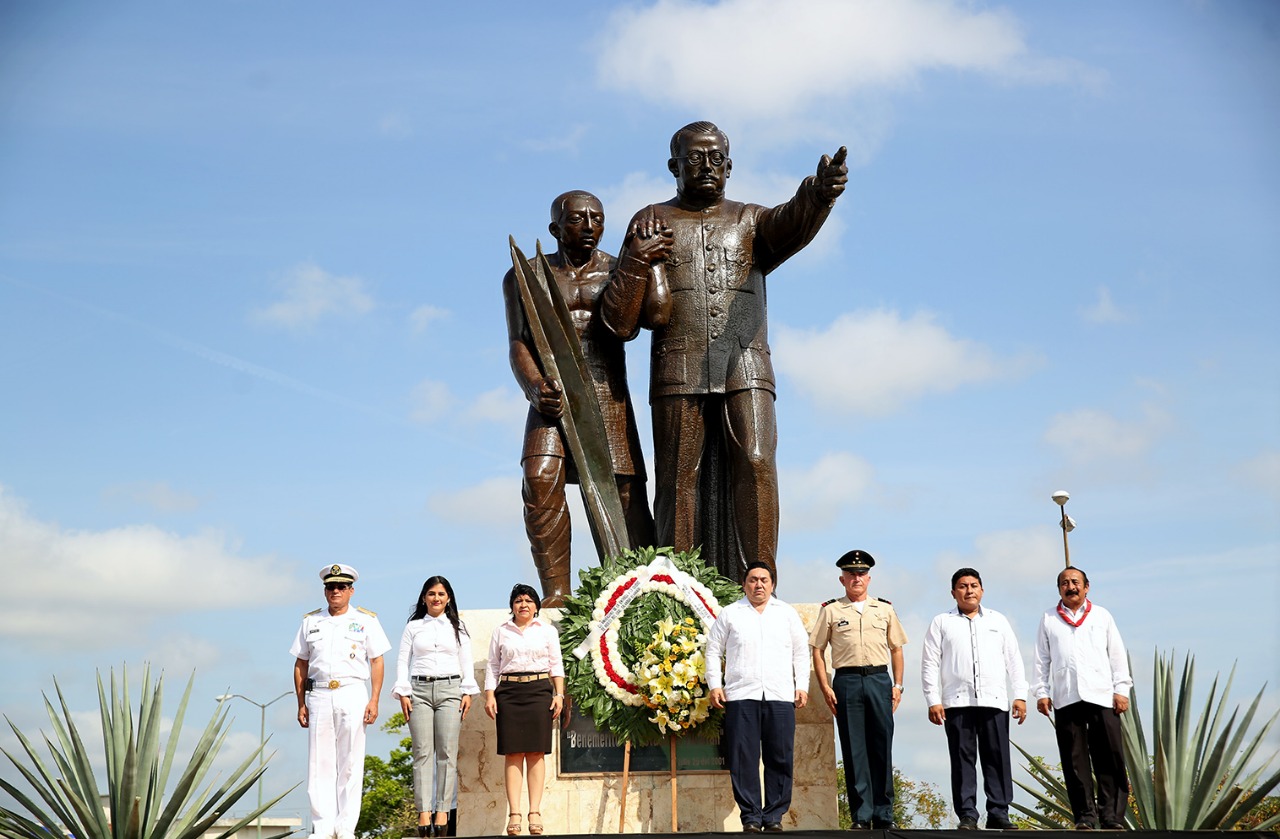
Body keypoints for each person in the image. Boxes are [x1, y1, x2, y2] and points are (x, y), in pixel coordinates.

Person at [601, 121, 848, 582]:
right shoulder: (652, 218)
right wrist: (636, 260)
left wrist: (819, 195)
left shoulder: (750, 220)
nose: (708, 166)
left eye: (717, 158)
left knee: (756, 460)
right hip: (678, 367)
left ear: (730, 167)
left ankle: (760, 581)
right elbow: (620, 322)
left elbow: (790, 220)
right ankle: (676, 588)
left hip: (746, 364)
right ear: (673, 166)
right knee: (678, 479)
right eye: (695, 157)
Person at [502, 191, 658, 606]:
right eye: (577, 219)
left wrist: (644, 263)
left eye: (597, 218)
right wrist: (536, 387)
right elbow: (519, 343)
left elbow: (640, 322)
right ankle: (556, 593)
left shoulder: (616, 269)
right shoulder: (524, 274)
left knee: (625, 492)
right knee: (539, 480)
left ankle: (634, 589)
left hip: (605, 390)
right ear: (555, 228)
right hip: (550, 396)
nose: (589, 226)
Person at [706, 562, 811, 833]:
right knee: (744, 758)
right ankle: (751, 816)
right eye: (753, 580)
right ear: (744, 584)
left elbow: (801, 652)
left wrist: (803, 685)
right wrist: (715, 684)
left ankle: (774, 815)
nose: (759, 585)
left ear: (772, 584)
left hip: (780, 694)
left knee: (780, 755)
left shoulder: (786, 613)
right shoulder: (731, 613)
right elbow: (713, 650)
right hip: (742, 695)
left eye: (764, 580)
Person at [920, 568, 1028, 830]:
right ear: (953, 592)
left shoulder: (998, 621)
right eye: (963, 586)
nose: (969, 590)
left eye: (974, 585)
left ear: (982, 590)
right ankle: (968, 813)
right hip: (957, 702)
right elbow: (929, 663)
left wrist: (1021, 695)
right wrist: (933, 699)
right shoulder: (941, 622)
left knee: (997, 757)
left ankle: (999, 812)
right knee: (962, 759)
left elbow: (1014, 660)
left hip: (994, 701)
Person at [291, 564, 392, 839]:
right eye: (330, 587)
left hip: (352, 691)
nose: (335, 591)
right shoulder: (311, 622)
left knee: (350, 761)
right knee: (319, 763)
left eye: (341, 587)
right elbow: (301, 663)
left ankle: (346, 826)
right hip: (320, 693)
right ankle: (322, 826)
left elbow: (377, 660)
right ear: (325, 591)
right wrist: (301, 703)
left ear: (351, 591)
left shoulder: (366, 620)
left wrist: (374, 699)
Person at [808, 550, 907, 829]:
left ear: (869, 578)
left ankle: (884, 814)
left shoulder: (884, 609)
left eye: (861, 573)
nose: (856, 578)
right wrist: (825, 685)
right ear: (842, 579)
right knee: (854, 749)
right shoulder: (831, 610)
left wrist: (898, 685)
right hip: (847, 681)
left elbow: (897, 649)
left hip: (879, 679)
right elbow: (817, 648)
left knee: (881, 747)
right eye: (851, 574)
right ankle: (862, 815)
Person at [1032, 566, 1132, 830]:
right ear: (1059, 589)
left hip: (1101, 695)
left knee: (1109, 756)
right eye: (1064, 583)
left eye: (1075, 581)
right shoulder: (1049, 618)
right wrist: (1041, 692)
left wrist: (1121, 689)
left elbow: (1117, 655)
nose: (1070, 586)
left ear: (1087, 586)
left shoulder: (1101, 616)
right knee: (1074, 760)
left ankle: (1112, 816)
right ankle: (1085, 816)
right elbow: (1042, 659)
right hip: (1066, 696)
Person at [391, 576, 479, 838]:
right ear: (423, 598)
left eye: (441, 594)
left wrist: (467, 691)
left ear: (448, 597)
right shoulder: (414, 627)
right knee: (422, 753)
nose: (436, 598)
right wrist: (403, 691)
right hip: (418, 690)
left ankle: (443, 811)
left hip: (451, 690)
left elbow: (466, 661)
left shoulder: (458, 628)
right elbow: (402, 660)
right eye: (431, 594)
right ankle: (423, 811)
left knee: (447, 753)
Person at [483, 583, 566, 836]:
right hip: (508, 693)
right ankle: (515, 813)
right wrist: (489, 696)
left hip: (539, 690)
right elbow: (492, 666)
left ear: (536, 606)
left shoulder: (547, 631)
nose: (524, 605)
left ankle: (535, 812)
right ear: (512, 605)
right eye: (519, 600)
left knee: (536, 753)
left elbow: (556, 664)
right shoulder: (501, 631)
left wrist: (559, 694)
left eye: (529, 600)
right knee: (513, 754)